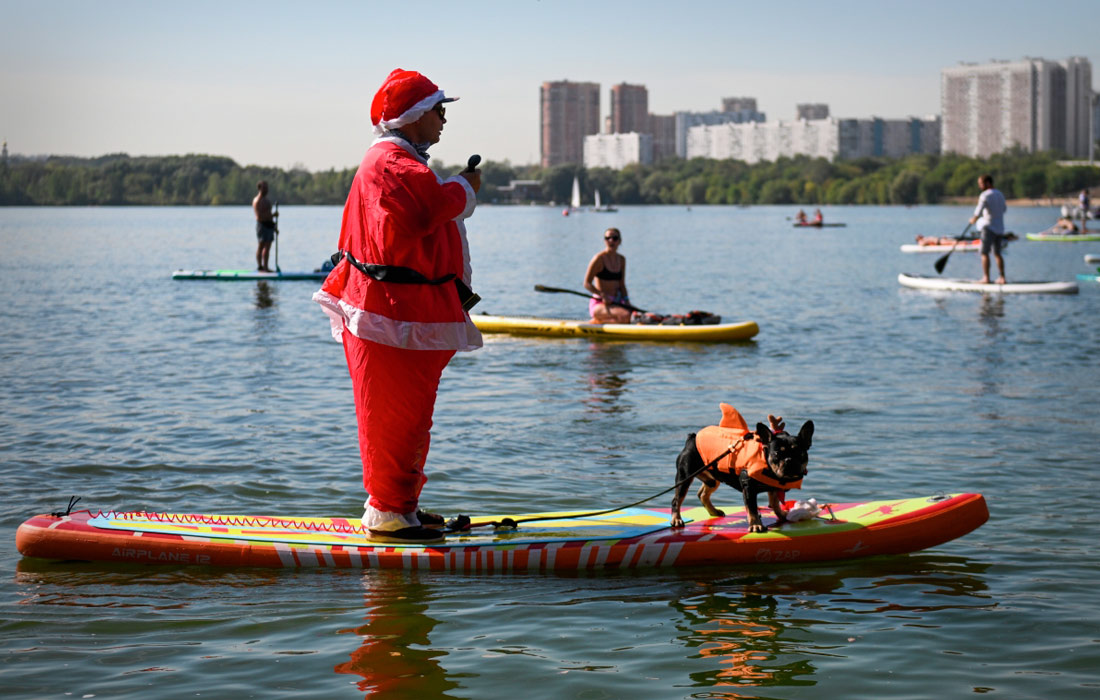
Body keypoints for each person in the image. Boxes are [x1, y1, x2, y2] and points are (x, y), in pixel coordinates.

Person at [312, 68, 482, 544]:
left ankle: (398, 505)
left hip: (399, 312)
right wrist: (465, 188)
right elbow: (425, 211)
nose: (444, 118)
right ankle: (387, 513)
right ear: (413, 117)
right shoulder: (391, 162)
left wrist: (456, 186)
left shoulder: (398, 160)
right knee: (393, 415)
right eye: (437, 109)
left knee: (408, 416)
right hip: (388, 312)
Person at [583, 227, 632, 323]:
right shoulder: (599, 259)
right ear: (604, 241)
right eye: (607, 238)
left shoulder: (622, 260)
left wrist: (627, 300)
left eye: (614, 238)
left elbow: (622, 285)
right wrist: (602, 295)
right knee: (626, 316)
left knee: (635, 315)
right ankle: (598, 321)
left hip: (617, 302)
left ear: (619, 241)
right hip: (600, 304)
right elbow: (586, 283)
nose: (611, 241)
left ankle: (603, 321)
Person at [968, 174, 1007, 284]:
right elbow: (1004, 209)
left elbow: (978, 212)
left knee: (984, 253)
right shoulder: (1000, 194)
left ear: (988, 183)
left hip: (988, 227)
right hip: (1000, 228)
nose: (980, 186)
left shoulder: (984, 195)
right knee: (997, 253)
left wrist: (973, 219)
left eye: (981, 184)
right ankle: (1002, 278)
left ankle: (986, 278)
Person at [253, 181, 277, 272]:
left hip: (269, 225)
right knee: (261, 245)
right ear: (259, 188)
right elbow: (259, 216)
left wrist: (274, 227)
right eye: (264, 188)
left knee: (268, 247)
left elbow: (269, 214)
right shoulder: (257, 201)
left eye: (267, 188)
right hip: (262, 225)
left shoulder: (267, 201)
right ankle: (260, 267)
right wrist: (273, 215)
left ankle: (266, 267)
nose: (266, 190)